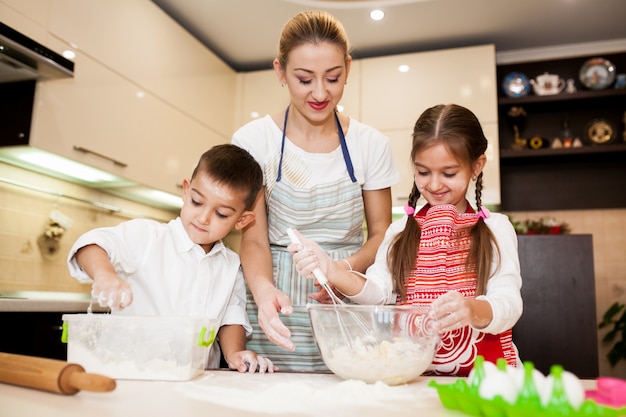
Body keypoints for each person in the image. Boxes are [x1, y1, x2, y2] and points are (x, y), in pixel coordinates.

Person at [290, 104, 523, 376]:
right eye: (423, 172)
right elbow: (377, 292)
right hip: (416, 378)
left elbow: (509, 303)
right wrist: (332, 270)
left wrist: (473, 309)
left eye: (449, 174)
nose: (434, 185)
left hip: (488, 381)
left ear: (477, 166)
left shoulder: (496, 228)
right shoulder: (399, 232)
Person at [231, 10, 400, 371]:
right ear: (280, 71)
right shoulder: (253, 140)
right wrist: (263, 295)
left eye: (333, 78)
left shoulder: (370, 144)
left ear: (348, 69)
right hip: (276, 299)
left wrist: (340, 271)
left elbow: (382, 235)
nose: (320, 93)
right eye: (305, 79)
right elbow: (255, 238)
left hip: (347, 296)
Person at [67, 144, 276, 374]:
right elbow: (92, 244)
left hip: (196, 379)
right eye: (197, 202)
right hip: (132, 373)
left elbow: (231, 316)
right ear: (186, 191)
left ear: (242, 220)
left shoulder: (231, 264)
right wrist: (104, 275)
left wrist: (234, 353)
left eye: (221, 214)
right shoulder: (148, 237)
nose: (204, 218)